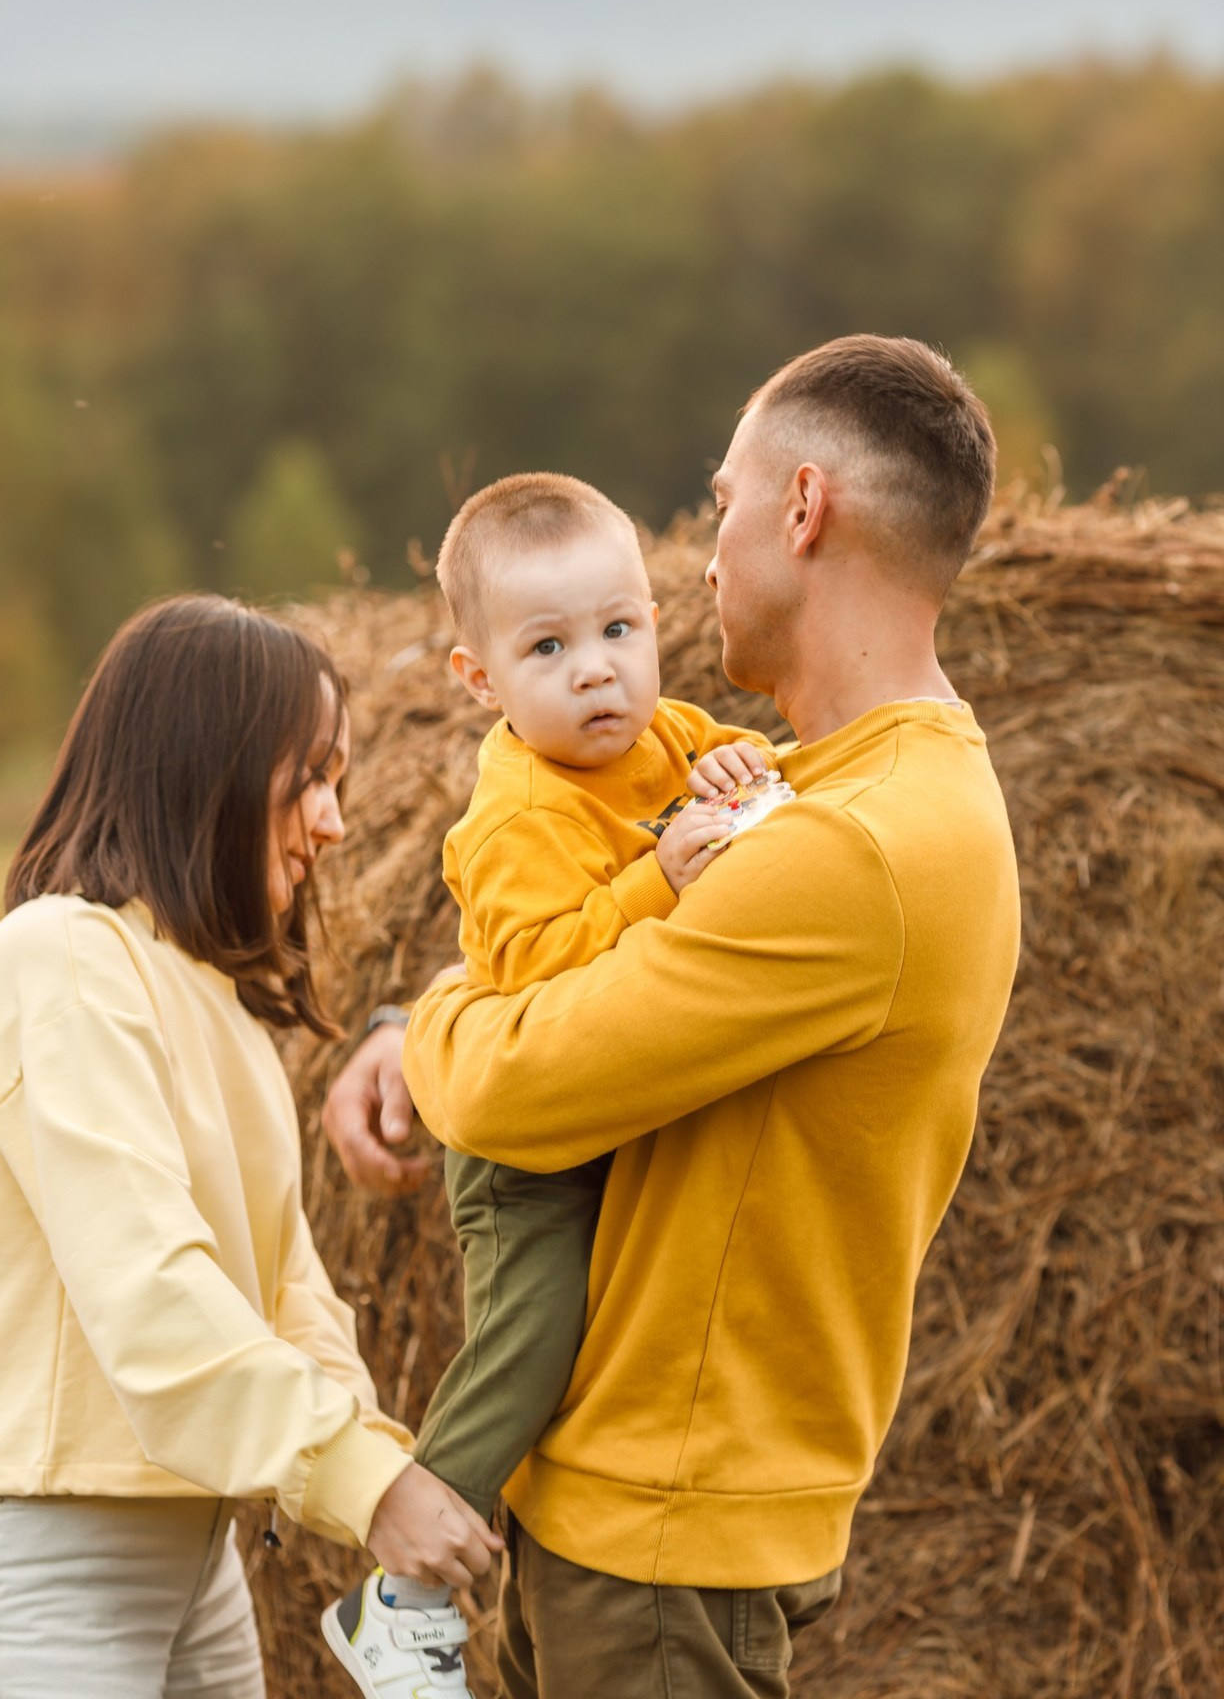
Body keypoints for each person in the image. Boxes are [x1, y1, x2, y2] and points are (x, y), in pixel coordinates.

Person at [324, 334, 1022, 1698]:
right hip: (646, 1504)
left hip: (668, 1518)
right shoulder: (836, 790)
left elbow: (520, 1091)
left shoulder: (844, 849)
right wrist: (423, 1022)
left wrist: (441, 1022)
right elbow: (610, 994)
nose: (701, 556)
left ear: (804, 510)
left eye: (721, 506)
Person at [0, 594, 500, 1699]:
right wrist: (369, 1487)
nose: (335, 822)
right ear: (208, 765)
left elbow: (289, 1295)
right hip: (50, 1550)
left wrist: (387, 1465)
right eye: (312, 779)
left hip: (195, 1553)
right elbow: (148, 1291)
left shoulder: (218, 1007)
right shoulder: (60, 959)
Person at [323, 472, 776, 1697]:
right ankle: (406, 1584)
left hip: (601, 1116)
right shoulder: (515, 810)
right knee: (534, 1335)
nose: (597, 672)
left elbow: (753, 760)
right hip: (521, 1153)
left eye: (619, 631)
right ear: (480, 682)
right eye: (548, 647)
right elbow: (525, 967)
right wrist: (658, 882)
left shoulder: (666, 733)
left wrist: (749, 777)